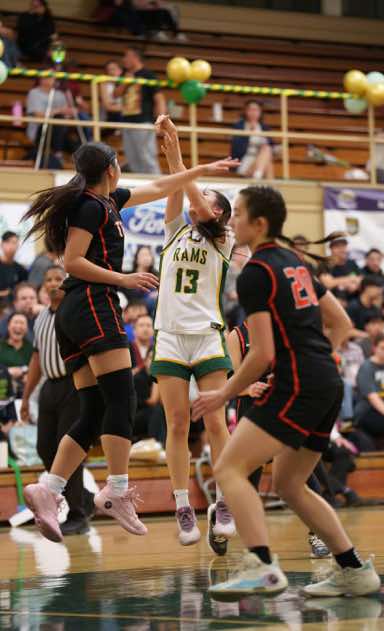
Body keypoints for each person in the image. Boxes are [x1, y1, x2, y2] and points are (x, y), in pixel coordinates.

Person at [21, 139, 237, 544]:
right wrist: (123, 279)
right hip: (94, 304)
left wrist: (186, 163)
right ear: (111, 169)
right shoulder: (93, 207)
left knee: (94, 410)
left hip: (85, 310)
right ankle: (118, 491)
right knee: (123, 398)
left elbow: (162, 186)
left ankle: (50, 488)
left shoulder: (113, 200)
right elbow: (72, 261)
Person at [192, 185, 380, 598]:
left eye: (239, 213)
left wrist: (223, 394)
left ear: (259, 223)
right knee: (290, 484)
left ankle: (261, 566)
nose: (232, 220)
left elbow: (261, 353)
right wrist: (319, 360)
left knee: (228, 468)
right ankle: (354, 570)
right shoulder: (296, 262)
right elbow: (342, 324)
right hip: (326, 382)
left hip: (299, 383)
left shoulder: (257, 272)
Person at [152, 115, 238, 549]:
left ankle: (223, 500)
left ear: (218, 211)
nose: (197, 199)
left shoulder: (223, 237)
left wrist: (179, 151)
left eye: (205, 196)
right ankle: (183, 504)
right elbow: (176, 184)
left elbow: (193, 197)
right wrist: (169, 148)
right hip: (169, 334)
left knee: (217, 421)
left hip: (206, 334)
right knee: (177, 422)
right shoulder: (174, 232)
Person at [227, 320, 332, 561]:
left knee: (302, 474)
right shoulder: (237, 335)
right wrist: (247, 388)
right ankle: (226, 522)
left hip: (282, 409)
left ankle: (317, 533)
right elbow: (230, 378)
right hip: (251, 413)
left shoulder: (283, 328)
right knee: (247, 483)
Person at [20, 266, 91, 536]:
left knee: (68, 449)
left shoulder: (75, 312)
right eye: (48, 279)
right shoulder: (40, 318)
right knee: (44, 447)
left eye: (58, 279)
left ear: (67, 283)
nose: (52, 283)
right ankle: (83, 497)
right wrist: (26, 397)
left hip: (74, 384)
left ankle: (78, 514)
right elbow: (36, 359)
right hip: (49, 386)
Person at [114, 48, 166, 174]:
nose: (124, 60)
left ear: (135, 57)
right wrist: (126, 82)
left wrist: (161, 120)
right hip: (127, 122)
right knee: (132, 158)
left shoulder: (148, 75)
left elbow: (159, 98)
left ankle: (157, 182)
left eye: (127, 56)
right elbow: (116, 94)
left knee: (147, 156)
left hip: (143, 122)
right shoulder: (124, 74)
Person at [26, 74, 73, 168]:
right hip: (40, 130)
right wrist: (58, 111)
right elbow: (38, 115)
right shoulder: (34, 93)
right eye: (48, 77)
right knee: (57, 119)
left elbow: (66, 114)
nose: (51, 79)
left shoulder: (60, 94)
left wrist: (70, 112)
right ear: (41, 79)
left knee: (64, 122)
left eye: (52, 77)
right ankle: (58, 153)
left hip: (60, 131)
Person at [231, 100, 274, 180]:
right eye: (251, 109)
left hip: (261, 158)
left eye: (256, 110)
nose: (253, 112)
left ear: (260, 112)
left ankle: (257, 176)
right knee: (267, 160)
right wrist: (249, 133)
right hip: (245, 159)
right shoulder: (239, 126)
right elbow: (236, 149)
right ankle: (260, 178)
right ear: (246, 111)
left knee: (267, 151)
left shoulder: (264, 127)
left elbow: (271, 145)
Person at [318, 237, 361, 303]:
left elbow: (361, 279)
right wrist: (350, 279)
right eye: (338, 247)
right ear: (331, 249)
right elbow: (328, 284)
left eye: (344, 246)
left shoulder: (352, 263)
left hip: (353, 301)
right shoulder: (325, 264)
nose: (342, 250)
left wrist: (355, 285)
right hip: (333, 302)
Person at [0, 313, 33, 398]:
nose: (18, 326)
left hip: (26, 394)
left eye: (22, 323)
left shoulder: (32, 348)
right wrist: (7, 372)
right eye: (15, 322)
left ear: (27, 328)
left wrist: (27, 375)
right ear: (8, 326)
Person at [0, 231, 28, 305]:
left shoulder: (21, 269)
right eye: (8, 242)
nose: (11, 246)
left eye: (14, 243)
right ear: (1, 244)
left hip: (13, 305)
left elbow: (23, 289)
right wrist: (4, 293)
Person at [100, 61, 123, 125]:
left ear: (120, 71)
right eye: (109, 70)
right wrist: (126, 109)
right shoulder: (104, 84)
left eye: (114, 69)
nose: (111, 72)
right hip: (109, 117)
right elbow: (108, 107)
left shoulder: (125, 83)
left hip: (123, 115)